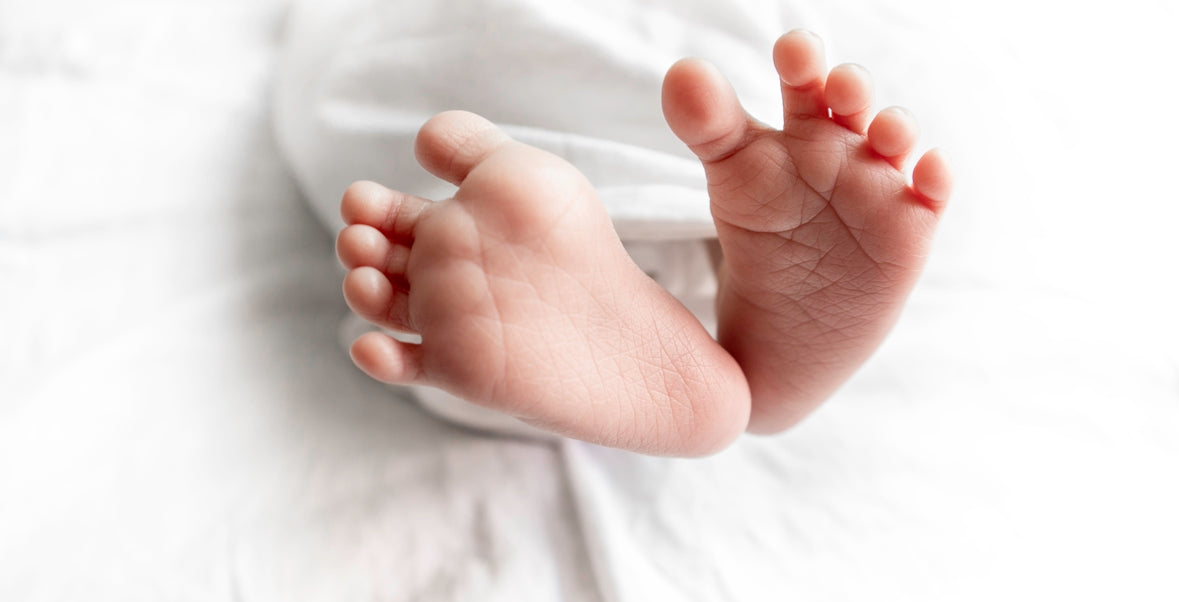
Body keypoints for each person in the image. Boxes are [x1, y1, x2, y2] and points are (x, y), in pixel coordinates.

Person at [333, 28, 952, 456]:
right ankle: (739, 335)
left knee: (412, 233)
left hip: (430, 74)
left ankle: (677, 345)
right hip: (657, 111)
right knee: (732, 145)